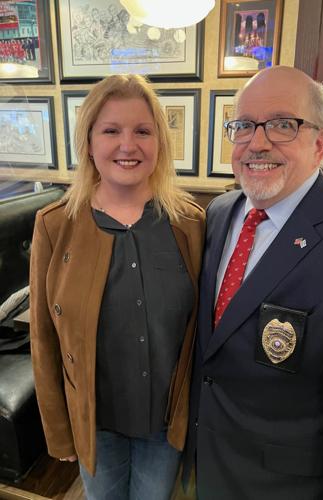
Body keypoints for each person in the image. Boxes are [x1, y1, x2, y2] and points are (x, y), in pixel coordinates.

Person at [184, 65, 323, 499]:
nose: (258, 141)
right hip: (207, 462)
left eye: (283, 125)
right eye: (244, 126)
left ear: (320, 142)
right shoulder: (220, 212)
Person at [30, 73, 205, 500]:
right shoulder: (54, 225)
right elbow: (42, 336)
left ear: (159, 143)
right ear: (89, 143)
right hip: (95, 425)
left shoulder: (192, 224)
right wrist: (58, 433)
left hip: (166, 427)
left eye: (142, 131)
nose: (128, 145)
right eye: (111, 130)